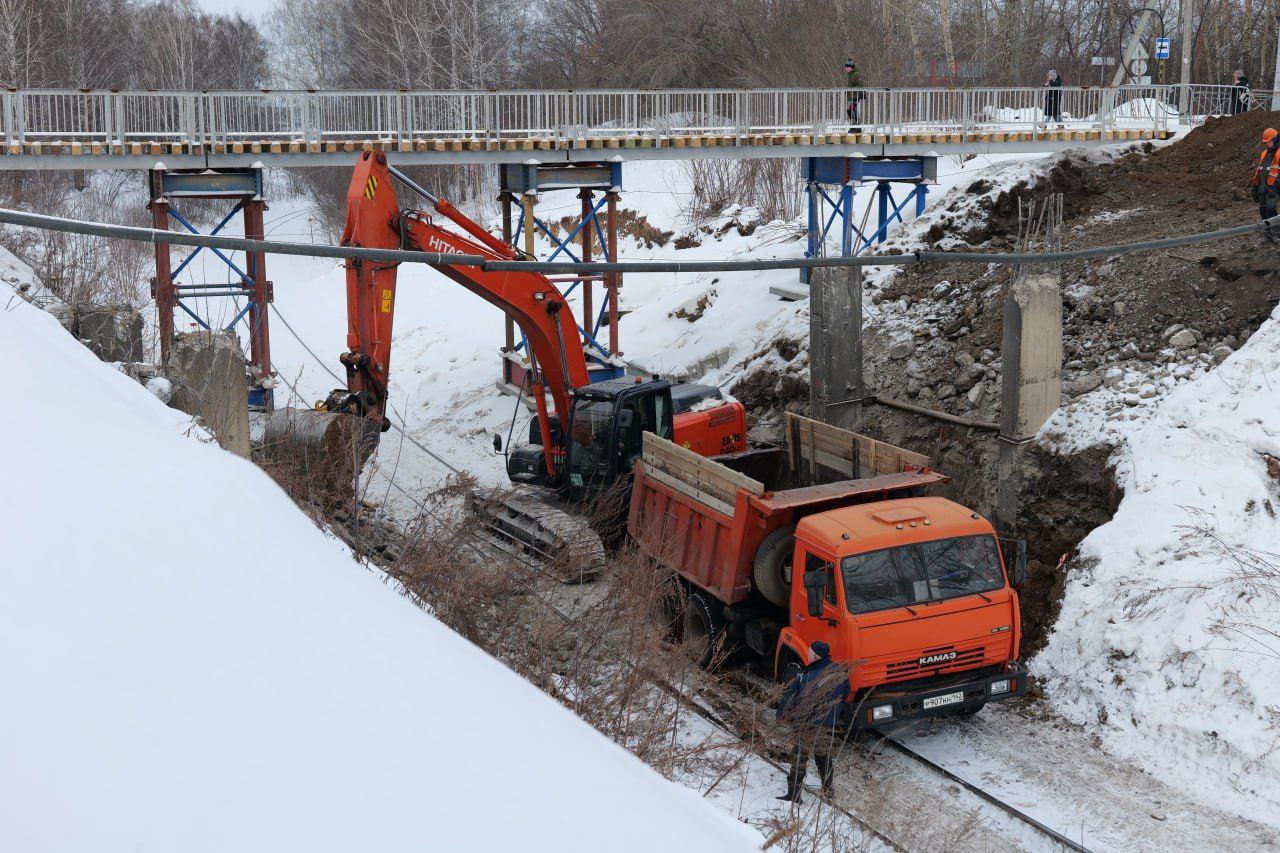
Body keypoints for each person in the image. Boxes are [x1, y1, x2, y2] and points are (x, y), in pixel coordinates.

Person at [776, 641, 849, 803]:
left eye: (810, 651)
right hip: (828, 724)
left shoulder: (807, 677)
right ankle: (829, 792)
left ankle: (793, 793)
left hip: (807, 724)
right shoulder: (838, 671)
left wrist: (784, 716)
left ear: (815, 655)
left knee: (799, 758)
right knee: (824, 758)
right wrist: (833, 713)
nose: (808, 653)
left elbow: (796, 700)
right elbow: (845, 693)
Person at [1251, 128, 1280, 238]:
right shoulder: (1264, 153)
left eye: (1269, 142)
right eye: (1266, 142)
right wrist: (1255, 186)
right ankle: (1268, 235)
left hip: (1273, 188)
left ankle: (1277, 232)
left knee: (1271, 209)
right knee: (1263, 211)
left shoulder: (1279, 153)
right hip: (1262, 188)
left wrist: (1277, 184)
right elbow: (1260, 170)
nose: (1267, 144)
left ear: (1275, 139)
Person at [844, 59, 865, 133]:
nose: (847, 69)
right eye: (846, 67)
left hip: (855, 96)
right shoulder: (850, 75)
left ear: (852, 67)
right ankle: (855, 126)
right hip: (851, 96)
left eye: (848, 67)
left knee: (853, 110)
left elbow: (860, 85)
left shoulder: (856, 74)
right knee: (850, 110)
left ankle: (856, 127)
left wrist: (852, 90)